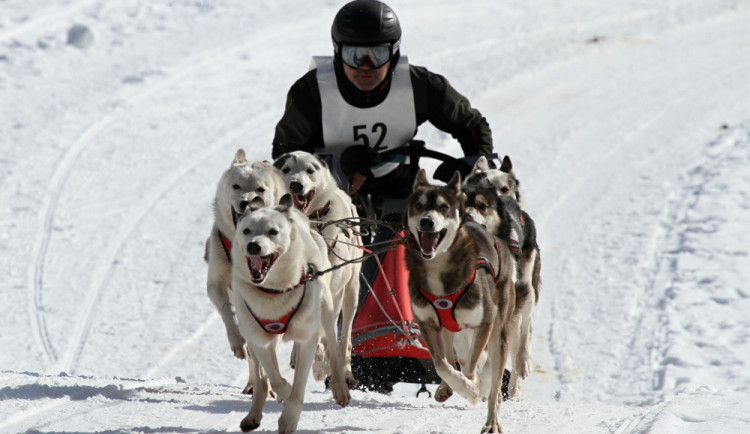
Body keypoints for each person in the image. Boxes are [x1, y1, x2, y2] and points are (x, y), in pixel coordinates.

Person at [272, 0, 494, 207]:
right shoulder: (310, 92)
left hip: (402, 195)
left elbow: (473, 127)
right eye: (354, 55)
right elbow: (286, 153)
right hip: (330, 200)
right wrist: (336, 170)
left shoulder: (420, 86)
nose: (365, 66)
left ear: (394, 53)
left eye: (377, 55)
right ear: (338, 54)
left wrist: (474, 175)